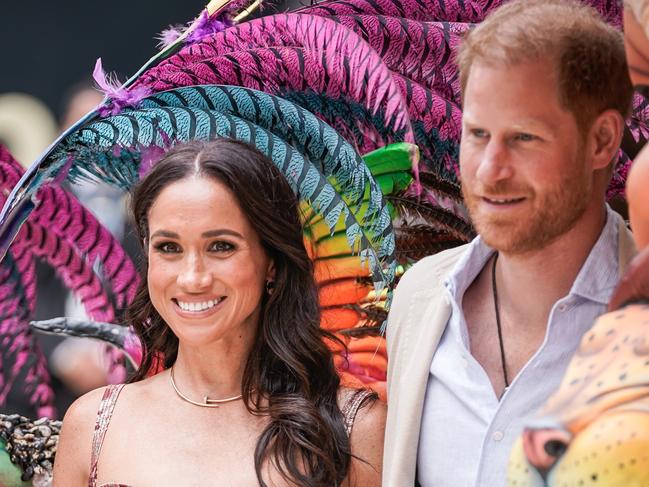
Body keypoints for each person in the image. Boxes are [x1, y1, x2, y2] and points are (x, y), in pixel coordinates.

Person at [383, 1, 636, 485]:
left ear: (602, 140)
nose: (488, 171)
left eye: (523, 137)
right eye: (477, 134)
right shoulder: (420, 298)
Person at [53, 139, 385, 486]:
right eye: (169, 248)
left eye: (221, 247)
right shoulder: (92, 425)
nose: (193, 277)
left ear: (271, 262)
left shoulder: (355, 429)